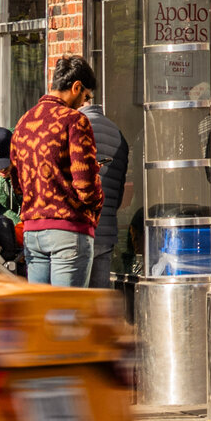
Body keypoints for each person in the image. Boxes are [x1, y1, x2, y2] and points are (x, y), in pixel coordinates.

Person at [11, 57, 103, 286]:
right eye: (86, 97)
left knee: (41, 314)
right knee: (67, 315)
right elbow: (85, 185)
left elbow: (16, 182)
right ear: (76, 87)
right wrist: (97, 202)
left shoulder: (23, 122)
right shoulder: (75, 121)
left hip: (33, 231)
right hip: (69, 230)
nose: (84, 103)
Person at [82, 96, 131, 289]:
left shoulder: (75, 127)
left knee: (73, 300)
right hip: (106, 227)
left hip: (79, 229)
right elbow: (118, 191)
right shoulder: (118, 133)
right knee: (98, 297)